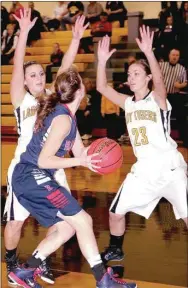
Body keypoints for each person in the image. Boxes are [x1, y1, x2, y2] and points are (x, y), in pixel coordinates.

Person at [8, 68, 137, 288]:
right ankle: (103, 280)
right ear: (80, 91)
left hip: (32, 178)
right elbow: (44, 161)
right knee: (83, 220)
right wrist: (80, 162)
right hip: (32, 175)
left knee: (67, 228)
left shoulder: (69, 118)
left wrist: (99, 157)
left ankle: (25, 271)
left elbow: (80, 154)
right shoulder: (63, 120)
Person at [3, 8, 89, 286]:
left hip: (51, 167)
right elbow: (16, 68)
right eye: (33, 75)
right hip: (26, 168)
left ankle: (40, 264)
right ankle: (12, 261)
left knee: (60, 221)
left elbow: (65, 68)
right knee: (16, 222)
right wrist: (25, 32)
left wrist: (75, 39)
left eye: (41, 73)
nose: (39, 78)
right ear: (26, 82)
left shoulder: (54, 98)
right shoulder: (22, 100)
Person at [97, 26, 188, 265]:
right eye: (129, 73)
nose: (131, 76)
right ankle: (116, 249)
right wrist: (101, 61)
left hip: (169, 167)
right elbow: (101, 88)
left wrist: (148, 52)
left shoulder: (157, 99)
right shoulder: (128, 103)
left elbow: (159, 80)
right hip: (143, 170)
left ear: (147, 78)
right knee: (115, 212)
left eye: (136, 73)